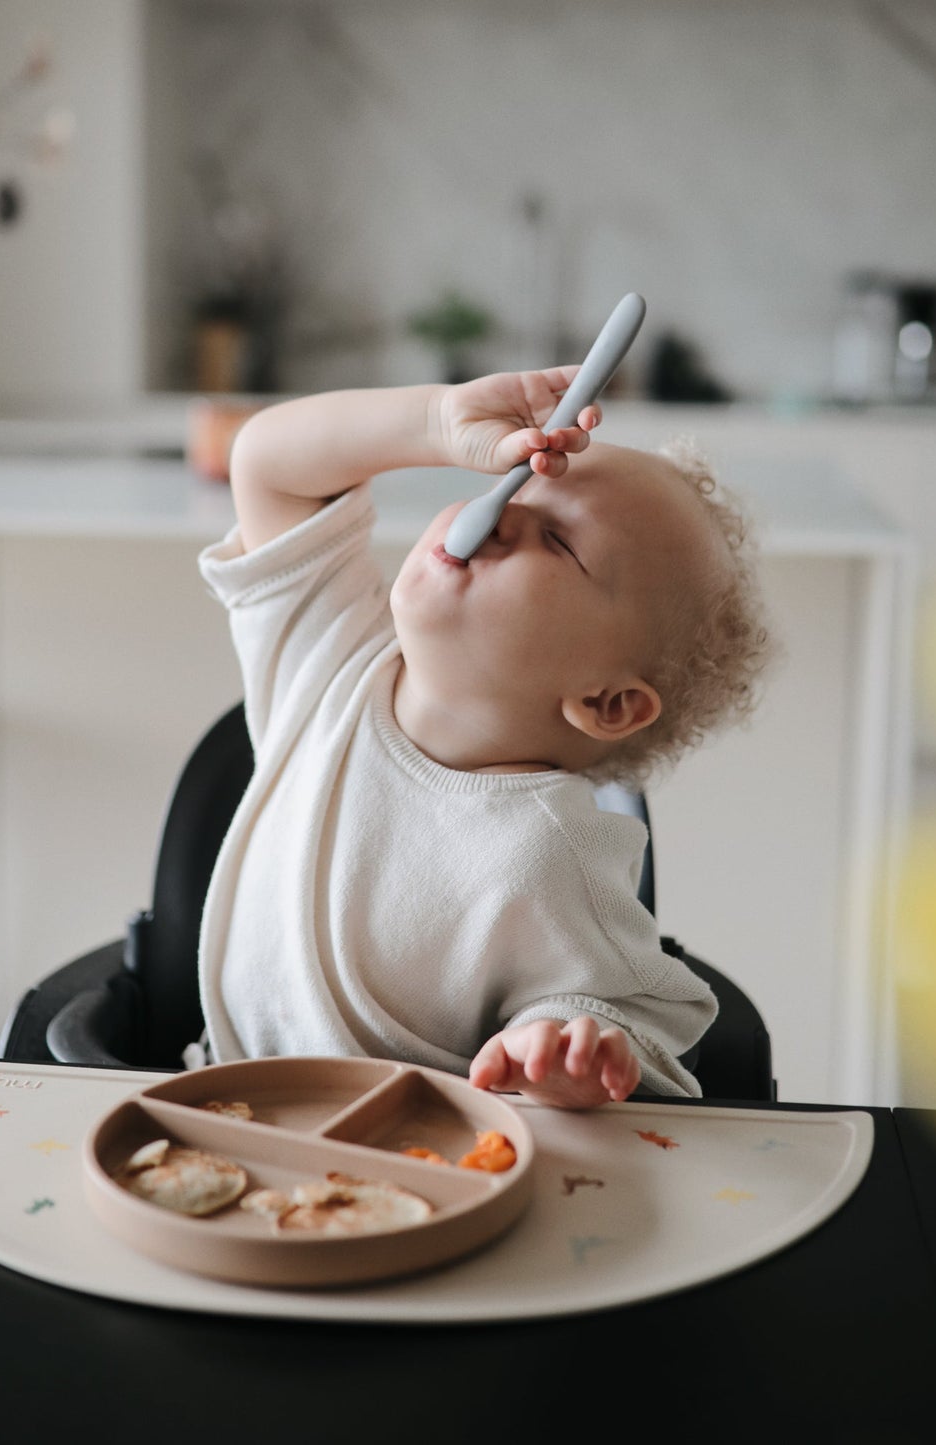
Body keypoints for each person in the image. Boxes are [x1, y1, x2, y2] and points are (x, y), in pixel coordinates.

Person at [196, 364, 771, 1109]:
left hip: (407, 1173)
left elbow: (630, 1020)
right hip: (210, 1111)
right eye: (514, 485)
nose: (496, 513)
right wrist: (436, 420)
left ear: (606, 700)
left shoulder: (554, 856)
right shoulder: (328, 656)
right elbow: (265, 461)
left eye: (558, 542)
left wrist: (566, 1048)